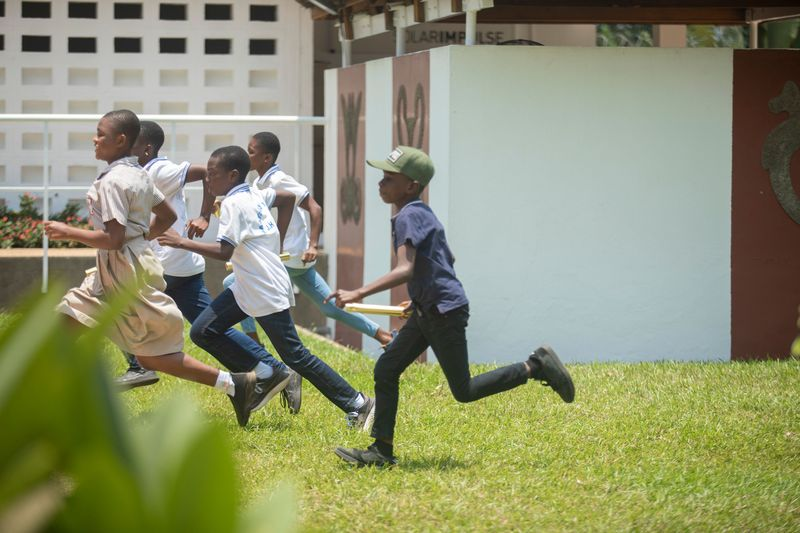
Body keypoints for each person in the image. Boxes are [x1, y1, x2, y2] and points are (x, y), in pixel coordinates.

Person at [326, 146, 576, 467]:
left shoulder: (407, 215)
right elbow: (446, 259)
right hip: (429, 308)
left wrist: (358, 292)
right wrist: (419, 296)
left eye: (389, 178)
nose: (380, 183)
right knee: (386, 369)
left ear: (412, 186)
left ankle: (535, 366)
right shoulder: (421, 212)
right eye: (381, 177)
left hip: (443, 312)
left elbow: (407, 268)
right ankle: (381, 451)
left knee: (464, 390)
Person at [43, 109, 270, 427]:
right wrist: (139, 239)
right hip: (129, 267)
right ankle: (235, 384)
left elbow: (112, 238)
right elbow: (165, 217)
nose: (94, 140)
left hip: (120, 273)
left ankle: (62, 407)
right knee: (144, 355)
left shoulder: (114, 181)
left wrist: (67, 232)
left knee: (138, 352)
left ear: (121, 140)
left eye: (100, 134)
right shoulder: (137, 174)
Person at [157, 145, 375, 429]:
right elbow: (286, 200)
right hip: (247, 284)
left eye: (213, 175)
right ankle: (264, 373)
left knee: (295, 354)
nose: (207, 181)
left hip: (264, 287)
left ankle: (357, 402)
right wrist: (277, 242)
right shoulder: (254, 193)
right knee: (202, 330)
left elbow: (224, 251)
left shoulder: (234, 204)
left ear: (233, 175)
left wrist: (181, 242)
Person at [114, 122, 300, 416]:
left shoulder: (158, 169)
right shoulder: (140, 173)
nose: (124, 149)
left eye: (131, 145)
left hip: (167, 264)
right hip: (180, 266)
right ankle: (274, 369)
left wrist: (203, 216)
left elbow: (204, 174)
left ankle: (139, 366)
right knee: (208, 327)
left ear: (146, 149)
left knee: (116, 300)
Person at [223, 132, 394, 348]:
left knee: (234, 282)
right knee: (329, 307)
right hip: (293, 259)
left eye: (251, 151)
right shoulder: (258, 183)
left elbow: (315, 208)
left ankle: (254, 343)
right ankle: (384, 336)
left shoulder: (280, 180)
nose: (247, 156)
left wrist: (313, 245)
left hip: (291, 255)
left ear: (266, 158)